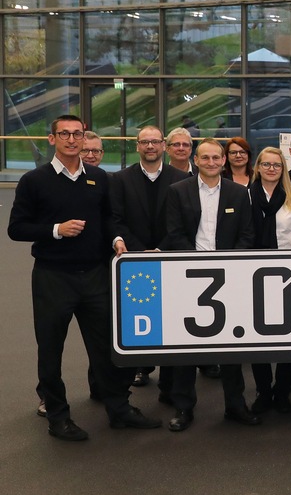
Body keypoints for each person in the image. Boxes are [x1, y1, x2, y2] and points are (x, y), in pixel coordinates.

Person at [8, 115, 162, 441]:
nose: (71, 139)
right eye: (64, 133)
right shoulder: (34, 181)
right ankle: (58, 417)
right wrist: (55, 231)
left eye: (76, 133)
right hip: (53, 276)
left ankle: (119, 409)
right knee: (51, 350)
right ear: (53, 139)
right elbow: (16, 228)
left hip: (94, 275)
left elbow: (109, 219)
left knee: (108, 347)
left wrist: (117, 240)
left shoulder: (98, 178)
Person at [161, 137, 258, 432]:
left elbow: (247, 236)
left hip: (229, 278)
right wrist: (196, 263)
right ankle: (183, 407)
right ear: (196, 160)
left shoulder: (238, 193)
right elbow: (174, 234)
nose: (212, 163)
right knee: (187, 346)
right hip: (189, 276)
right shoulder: (178, 191)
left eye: (217, 158)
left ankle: (235, 405)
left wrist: (230, 265)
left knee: (231, 346)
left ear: (224, 161)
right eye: (206, 158)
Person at [110, 125, 190, 394]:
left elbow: (182, 223)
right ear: (137, 146)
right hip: (135, 261)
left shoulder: (181, 178)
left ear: (164, 146)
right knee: (139, 319)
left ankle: (169, 385)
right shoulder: (120, 179)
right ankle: (139, 369)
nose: (150, 147)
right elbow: (117, 218)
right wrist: (139, 249)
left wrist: (162, 249)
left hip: (170, 259)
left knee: (172, 321)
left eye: (155, 142)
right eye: (145, 142)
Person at [247, 147, 291, 415]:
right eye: (267, 165)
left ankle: (282, 390)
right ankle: (263, 389)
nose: (272, 169)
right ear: (257, 167)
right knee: (257, 338)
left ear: (283, 170)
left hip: (288, 276)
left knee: (289, 338)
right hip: (253, 275)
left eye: (277, 165)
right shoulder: (245, 196)